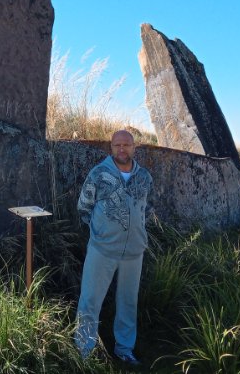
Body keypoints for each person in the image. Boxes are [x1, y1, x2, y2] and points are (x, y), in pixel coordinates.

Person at [75, 129, 153, 366]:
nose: (122, 149)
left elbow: (147, 210)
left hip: (134, 253)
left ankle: (124, 349)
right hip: (102, 250)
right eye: (117, 145)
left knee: (128, 302)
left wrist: (134, 231)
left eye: (127, 145)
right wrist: (102, 234)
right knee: (90, 300)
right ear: (111, 147)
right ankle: (84, 352)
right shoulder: (99, 174)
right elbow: (83, 207)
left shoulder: (145, 177)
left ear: (134, 148)